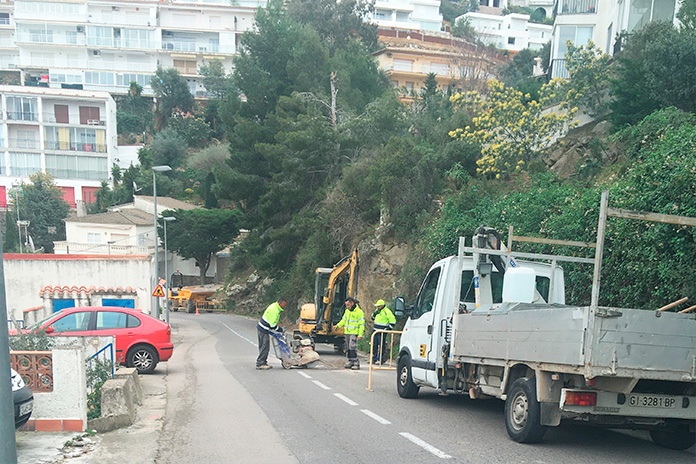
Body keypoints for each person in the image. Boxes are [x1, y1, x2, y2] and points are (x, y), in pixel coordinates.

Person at [256, 297, 287, 370]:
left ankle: (263, 362)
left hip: (263, 328)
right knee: (264, 346)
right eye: (284, 304)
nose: (284, 306)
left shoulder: (275, 306)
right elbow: (272, 325)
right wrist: (280, 329)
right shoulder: (275, 310)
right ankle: (260, 363)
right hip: (263, 329)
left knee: (264, 346)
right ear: (280, 303)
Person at [334, 297, 365, 370]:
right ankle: (350, 361)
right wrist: (338, 325)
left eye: (348, 305)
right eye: (346, 305)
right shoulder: (347, 311)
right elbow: (344, 320)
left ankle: (356, 362)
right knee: (347, 348)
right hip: (347, 332)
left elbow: (361, 324)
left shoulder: (359, 312)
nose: (347, 306)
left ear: (352, 303)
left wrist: (360, 334)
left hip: (354, 333)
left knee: (352, 347)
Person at [371, 299, 396, 364]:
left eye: (379, 306)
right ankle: (374, 358)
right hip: (375, 331)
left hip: (382, 332)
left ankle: (380, 359)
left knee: (381, 345)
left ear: (382, 305)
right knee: (374, 345)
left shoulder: (387, 312)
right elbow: (372, 318)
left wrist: (387, 329)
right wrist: (374, 314)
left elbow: (393, 321)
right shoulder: (377, 311)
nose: (378, 307)